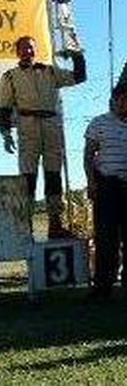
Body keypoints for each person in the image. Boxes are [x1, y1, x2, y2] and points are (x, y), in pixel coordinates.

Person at [0, 35, 86, 238]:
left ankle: (55, 224)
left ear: (36, 51)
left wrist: (77, 56)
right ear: (17, 52)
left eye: (31, 48)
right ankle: (25, 227)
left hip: (51, 126)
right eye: (24, 48)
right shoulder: (9, 76)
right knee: (28, 177)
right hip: (27, 128)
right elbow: (3, 108)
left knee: (54, 175)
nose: (28, 51)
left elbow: (79, 77)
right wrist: (5, 134)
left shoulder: (51, 71)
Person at [84, 85, 127, 299]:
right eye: (120, 99)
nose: (124, 103)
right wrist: (91, 183)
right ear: (113, 100)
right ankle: (102, 287)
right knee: (105, 238)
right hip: (107, 186)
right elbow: (88, 155)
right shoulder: (98, 122)